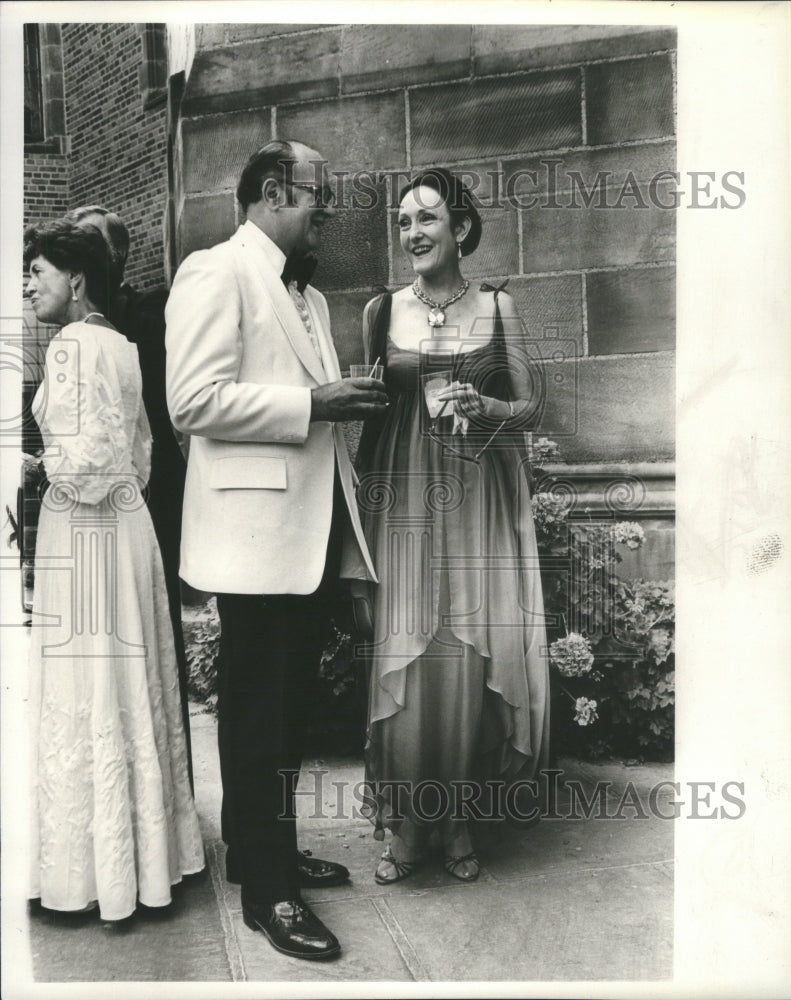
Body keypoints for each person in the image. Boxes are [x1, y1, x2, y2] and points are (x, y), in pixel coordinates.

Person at [164, 140, 388, 961]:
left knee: (286, 707)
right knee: (259, 712)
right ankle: (268, 894)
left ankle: (265, 849)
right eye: (315, 196)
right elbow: (192, 400)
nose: (325, 210)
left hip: (311, 531)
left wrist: (340, 406)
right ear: (269, 193)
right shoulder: (212, 271)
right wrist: (313, 400)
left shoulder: (314, 300)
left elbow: (304, 412)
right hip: (252, 540)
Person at [355, 168, 550, 885]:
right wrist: (359, 535)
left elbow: (530, 408)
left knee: (466, 655)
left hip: (476, 497)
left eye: (427, 219)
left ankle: (459, 817)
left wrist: (484, 405)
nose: (413, 233)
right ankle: (406, 826)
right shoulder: (382, 311)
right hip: (403, 500)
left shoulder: (498, 306)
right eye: (404, 222)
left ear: (460, 229)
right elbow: (369, 424)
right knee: (405, 649)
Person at [24, 219, 204, 924]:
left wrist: (36, 466)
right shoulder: (123, 348)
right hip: (127, 532)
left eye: (36, 271)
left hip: (89, 535)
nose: (26, 285)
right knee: (128, 687)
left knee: (92, 684)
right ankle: (149, 858)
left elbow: (89, 466)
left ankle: (93, 876)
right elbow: (141, 452)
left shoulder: (70, 347)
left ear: (76, 279)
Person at [65, 205, 193, 787]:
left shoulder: (150, 313)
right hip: (91, 504)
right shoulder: (70, 326)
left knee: (153, 636)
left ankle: (168, 784)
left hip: (153, 495)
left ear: (117, 258)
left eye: (91, 245)